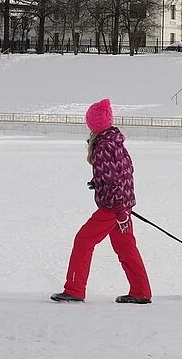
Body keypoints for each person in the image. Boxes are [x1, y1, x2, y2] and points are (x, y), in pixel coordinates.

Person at [51, 99, 152, 305]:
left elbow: (117, 179)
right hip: (121, 205)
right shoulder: (115, 142)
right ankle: (141, 291)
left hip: (113, 208)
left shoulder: (104, 146)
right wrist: (98, 182)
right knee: (126, 247)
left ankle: (74, 289)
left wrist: (120, 210)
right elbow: (123, 174)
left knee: (83, 241)